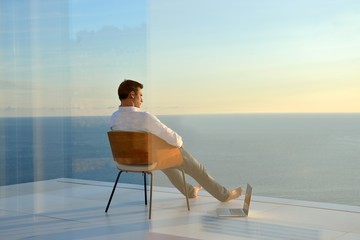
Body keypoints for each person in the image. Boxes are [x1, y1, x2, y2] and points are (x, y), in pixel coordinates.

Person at [110, 79, 243, 202]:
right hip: (148, 160)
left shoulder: (114, 118)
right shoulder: (144, 117)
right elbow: (172, 137)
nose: (142, 100)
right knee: (197, 168)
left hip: (128, 161)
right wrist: (179, 143)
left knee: (164, 159)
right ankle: (224, 195)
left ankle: (190, 191)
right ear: (132, 95)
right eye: (141, 95)